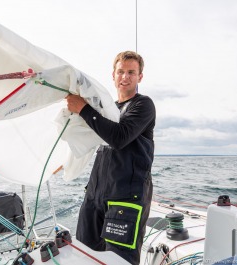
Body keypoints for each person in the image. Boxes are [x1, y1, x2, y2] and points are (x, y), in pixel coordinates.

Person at [66, 51, 155, 264]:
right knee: (83, 255)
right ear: (113, 75)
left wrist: (83, 108)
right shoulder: (108, 110)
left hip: (125, 199)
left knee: (119, 260)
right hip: (95, 195)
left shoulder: (143, 105)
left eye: (131, 72)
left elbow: (119, 137)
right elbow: (87, 141)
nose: (125, 77)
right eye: (121, 72)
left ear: (140, 77)